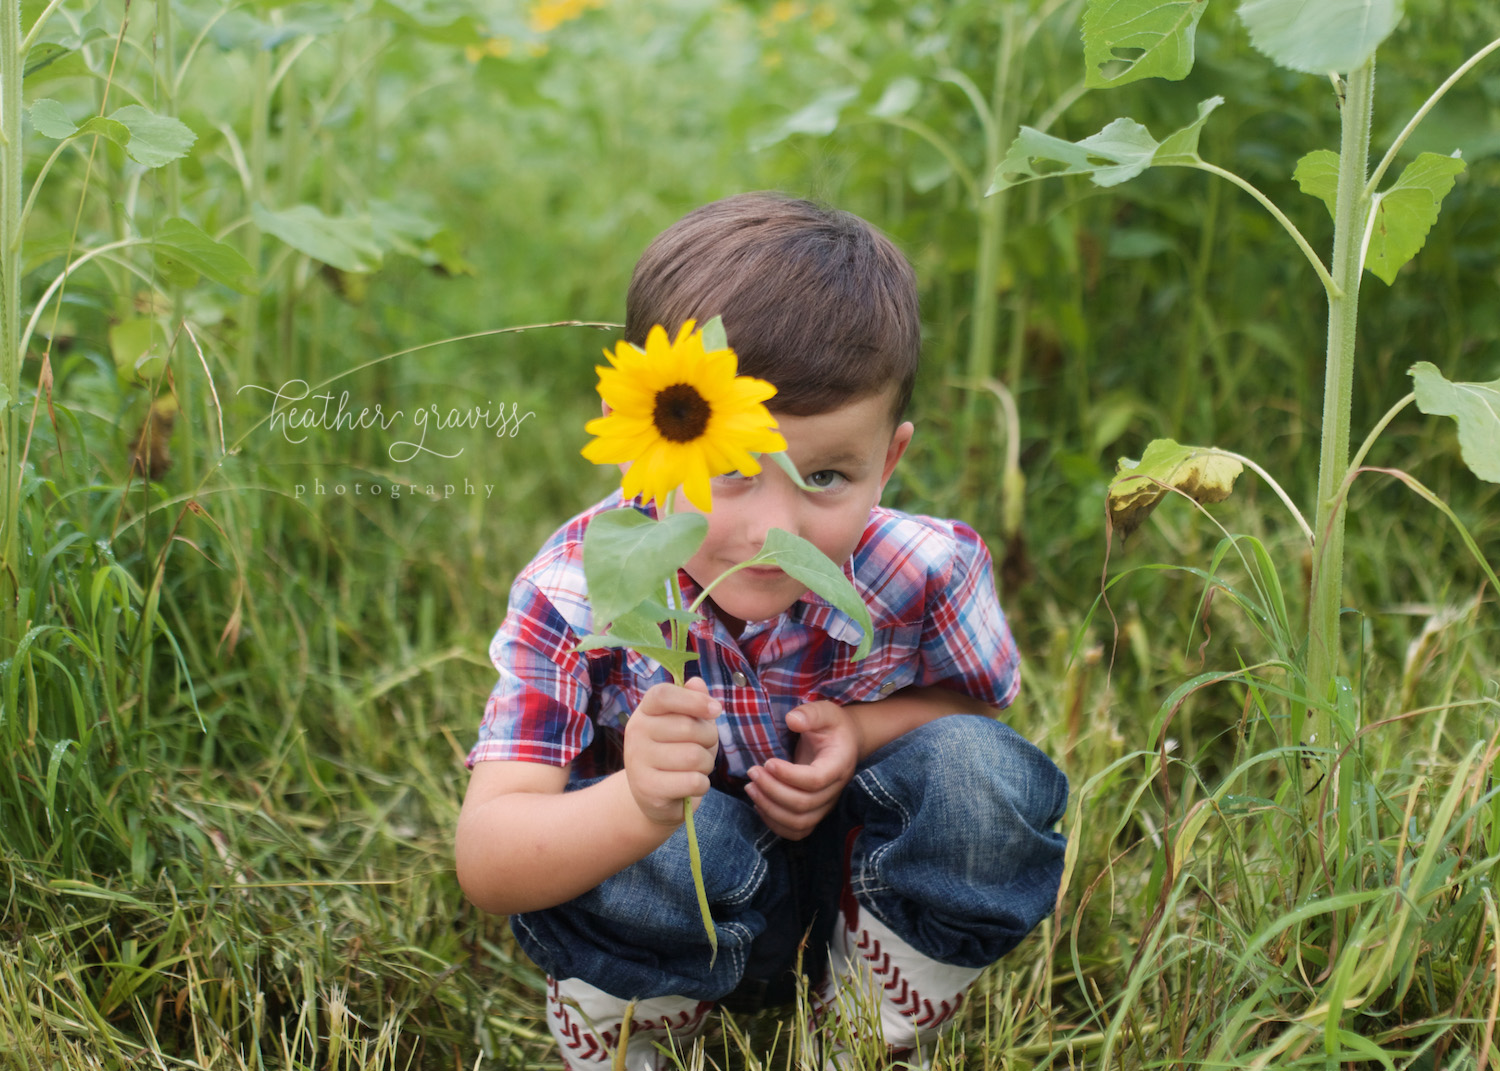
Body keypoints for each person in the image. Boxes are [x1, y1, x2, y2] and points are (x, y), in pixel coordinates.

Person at [456, 192, 1068, 1070]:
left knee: (984, 778)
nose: (774, 532)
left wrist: (861, 731)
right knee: (674, 839)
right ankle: (635, 1019)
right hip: (669, 906)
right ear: (651, 446)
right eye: (734, 470)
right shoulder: (582, 589)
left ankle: (874, 1021)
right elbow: (489, 858)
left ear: (889, 460)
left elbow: (968, 725)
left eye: (825, 474)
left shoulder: (927, 569)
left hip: (855, 890)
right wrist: (635, 802)